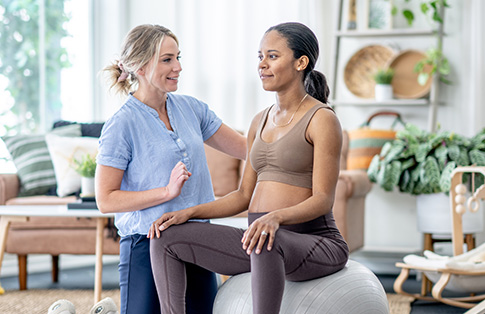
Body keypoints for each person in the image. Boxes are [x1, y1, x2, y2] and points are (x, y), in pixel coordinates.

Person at [148, 22, 349, 314]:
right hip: (262, 242)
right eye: (259, 57)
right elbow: (243, 195)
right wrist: (189, 212)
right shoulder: (260, 120)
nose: (262, 65)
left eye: (272, 56)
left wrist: (274, 218)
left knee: (267, 239)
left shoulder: (321, 118)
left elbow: (322, 199)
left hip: (314, 242)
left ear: (300, 62)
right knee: (167, 236)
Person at [95, 24, 246, 314]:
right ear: (139, 66)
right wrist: (166, 192)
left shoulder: (192, 109)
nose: (178, 67)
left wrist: (292, 135)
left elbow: (246, 149)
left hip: (198, 240)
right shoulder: (121, 124)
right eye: (167, 59)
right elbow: (106, 199)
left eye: (178, 57)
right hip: (146, 244)